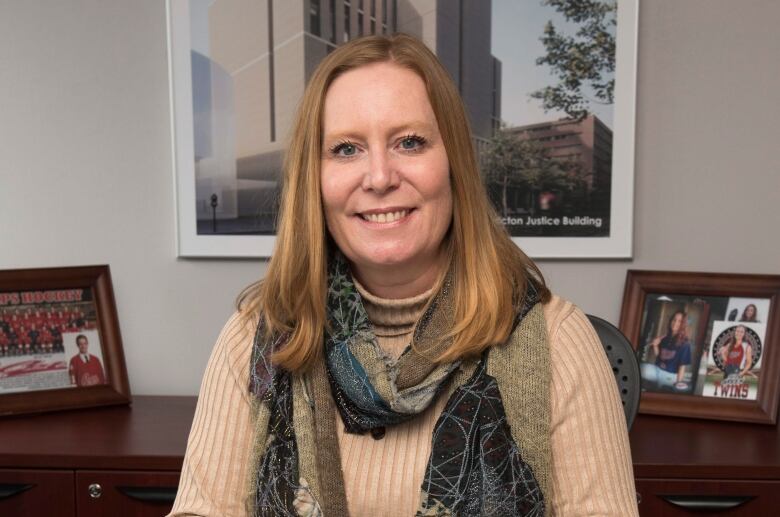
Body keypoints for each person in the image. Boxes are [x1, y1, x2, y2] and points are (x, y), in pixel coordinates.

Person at [169, 34, 636, 516]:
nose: (379, 177)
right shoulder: (255, 340)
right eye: (346, 149)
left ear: (453, 162)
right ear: (315, 178)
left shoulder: (560, 342)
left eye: (409, 142)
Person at [640, 310, 692, 390]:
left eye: (679, 321)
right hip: (656, 370)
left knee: (660, 390)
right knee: (638, 367)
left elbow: (682, 367)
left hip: (670, 375)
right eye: (674, 319)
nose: (675, 323)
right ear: (671, 321)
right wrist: (655, 345)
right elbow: (659, 356)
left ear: (683, 324)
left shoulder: (685, 343)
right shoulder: (665, 338)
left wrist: (678, 383)